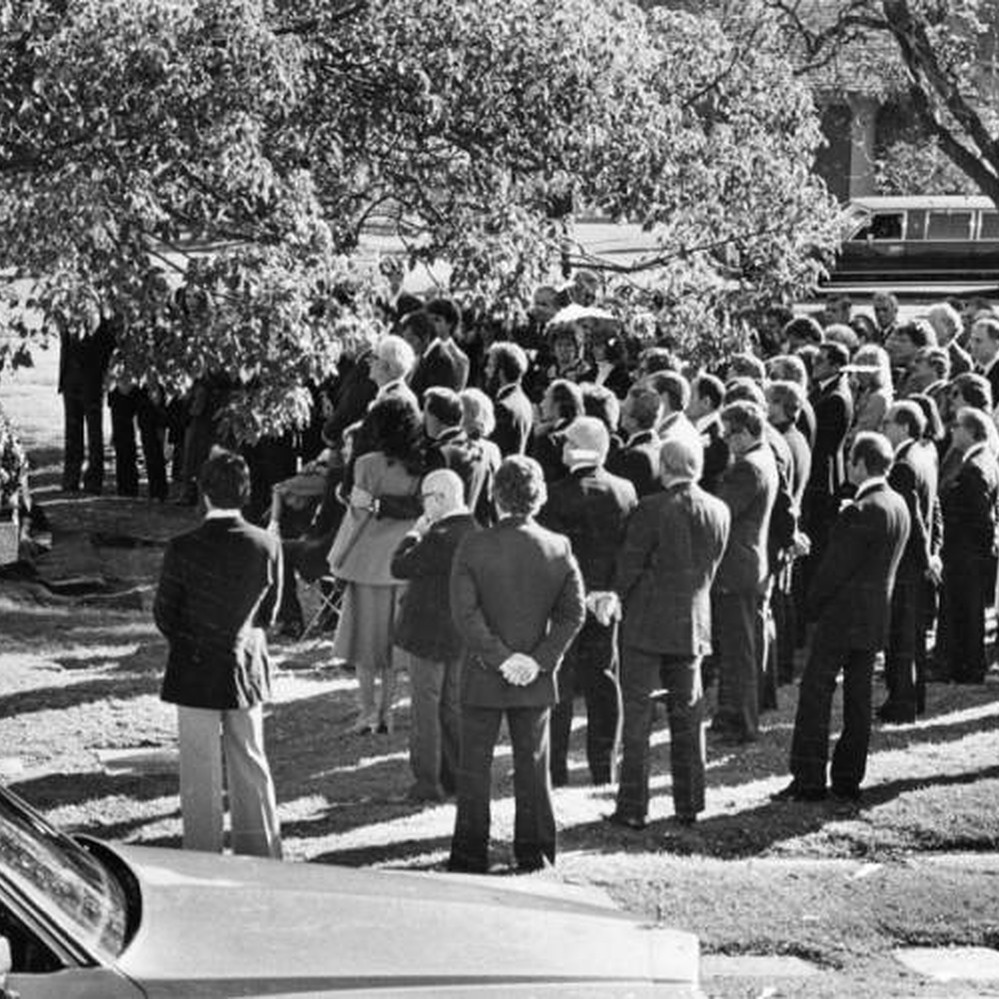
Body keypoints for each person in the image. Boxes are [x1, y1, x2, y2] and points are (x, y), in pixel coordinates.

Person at [448, 456, 585, 873]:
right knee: (533, 767)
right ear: (538, 497)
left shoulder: (473, 544)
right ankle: (536, 852)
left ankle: (471, 854)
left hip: (485, 671)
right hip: (532, 674)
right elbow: (572, 613)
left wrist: (502, 659)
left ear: (495, 495)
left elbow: (464, 614)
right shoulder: (558, 547)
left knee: (474, 768)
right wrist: (538, 661)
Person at [153, 449, 283, 858]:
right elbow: (270, 613)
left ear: (204, 492)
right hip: (245, 663)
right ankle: (262, 851)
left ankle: (203, 855)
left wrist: (193, 640)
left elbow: (165, 614)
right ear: (246, 492)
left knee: (199, 768)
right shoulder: (267, 544)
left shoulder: (183, 547)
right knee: (250, 761)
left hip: (195, 664)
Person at [774, 432, 909, 804]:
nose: (848, 464)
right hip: (873, 616)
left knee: (816, 693)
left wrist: (812, 605)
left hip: (841, 616)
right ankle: (849, 778)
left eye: (852, 458)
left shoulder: (861, 510)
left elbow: (833, 570)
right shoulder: (896, 503)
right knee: (858, 698)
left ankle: (809, 778)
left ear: (861, 463)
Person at [605, 436, 730, 829]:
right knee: (688, 715)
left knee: (638, 719)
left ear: (665, 468)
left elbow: (630, 564)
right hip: (691, 620)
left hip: (646, 623)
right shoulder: (719, 509)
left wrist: (613, 596)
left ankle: (633, 807)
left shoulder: (652, 508)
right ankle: (689, 802)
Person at [538, 417, 637, 786]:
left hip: (566, 602)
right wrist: (609, 592)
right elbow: (628, 550)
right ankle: (603, 767)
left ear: (580, 448)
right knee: (604, 682)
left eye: (567, 442)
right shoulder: (625, 490)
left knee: (560, 683)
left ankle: (555, 768)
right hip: (605, 601)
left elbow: (553, 557)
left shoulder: (556, 494)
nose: (561, 448)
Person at [329, 395, 425, 734]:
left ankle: (367, 713)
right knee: (392, 648)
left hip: (367, 564)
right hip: (403, 561)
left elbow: (355, 517)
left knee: (365, 648)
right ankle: (388, 713)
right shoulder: (422, 465)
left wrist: (337, 559)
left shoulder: (365, 464)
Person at [391, 469, 479, 802]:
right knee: (453, 707)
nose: (422, 504)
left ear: (440, 498)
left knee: (425, 710)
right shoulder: (475, 529)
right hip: (460, 633)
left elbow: (398, 566)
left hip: (427, 632)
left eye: (425, 497)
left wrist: (414, 533)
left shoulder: (438, 535)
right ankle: (454, 777)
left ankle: (427, 783)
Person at [710, 401, 778, 744]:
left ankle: (743, 723)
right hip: (750, 562)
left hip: (737, 567)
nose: (725, 440)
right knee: (741, 646)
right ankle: (733, 715)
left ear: (747, 432)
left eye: (729, 433)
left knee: (739, 651)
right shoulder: (763, 459)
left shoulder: (747, 468)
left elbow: (721, 512)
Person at [879, 402, 938, 723]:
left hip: (906, 563)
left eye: (887, 423)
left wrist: (928, 556)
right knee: (911, 635)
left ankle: (902, 702)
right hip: (920, 560)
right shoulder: (925, 456)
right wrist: (934, 552)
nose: (883, 428)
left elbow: (914, 518)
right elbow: (935, 510)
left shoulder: (903, 464)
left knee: (901, 636)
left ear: (903, 426)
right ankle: (912, 698)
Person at [938, 407, 999, 685]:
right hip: (970, 552)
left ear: (972, 431)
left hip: (966, 552)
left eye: (958, 426)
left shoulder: (974, 467)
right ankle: (965, 665)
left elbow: (982, 516)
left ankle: (969, 667)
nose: (952, 430)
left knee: (967, 609)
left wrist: (981, 551)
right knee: (967, 610)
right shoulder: (985, 459)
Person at [58, 308, 115, 494]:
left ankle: (93, 481)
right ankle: (70, 479)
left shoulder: (102, 316)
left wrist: (103, 377)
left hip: (92, 381)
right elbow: (65, 347)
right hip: (70, 380)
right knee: (72, 432)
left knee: (94, 433)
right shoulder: (68, 314)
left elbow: (107, 349)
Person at [484, 341, 533, 456]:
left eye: (490, 366)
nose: (486, 370)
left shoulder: (503, 408)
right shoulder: (525, 402)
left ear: (501, 373)